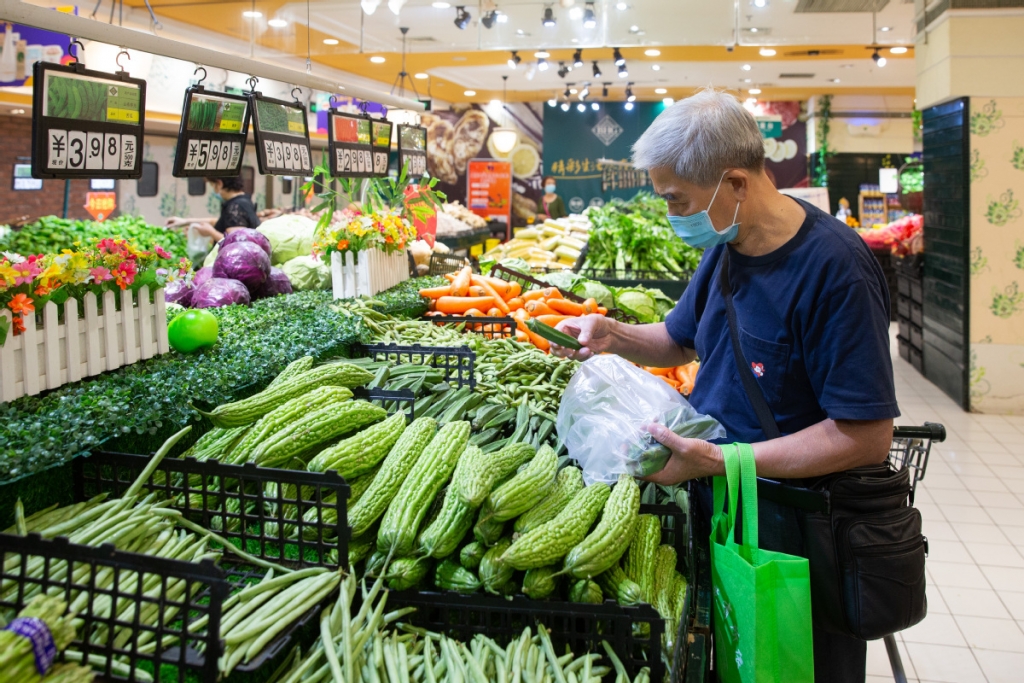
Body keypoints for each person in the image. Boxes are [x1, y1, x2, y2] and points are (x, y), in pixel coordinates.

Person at [552, 89, 898, 683]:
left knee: (795, 667)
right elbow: (679, 339)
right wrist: (612, 334)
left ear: (734, 182)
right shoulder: (728, 247)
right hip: (730, 509)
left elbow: (864, 436)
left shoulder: (835, 270)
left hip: (798, 536)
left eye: (676, 200)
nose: (671, 216)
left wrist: (720, 459)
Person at [165, 176, 260, 242]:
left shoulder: (235, 207)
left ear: (219, 184)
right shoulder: (244, 201)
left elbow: (235, 241)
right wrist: (185, 221)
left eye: (212, 185)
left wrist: (211, 232)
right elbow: (221, 222)